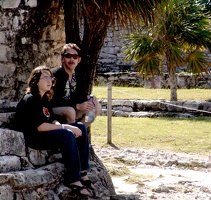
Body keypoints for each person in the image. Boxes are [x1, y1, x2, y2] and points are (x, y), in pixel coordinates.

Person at [13, 66, 95, 196]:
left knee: (81, 127)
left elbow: (51, 119)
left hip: (45, 133)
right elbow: (40, 126)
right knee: (67, 134)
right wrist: (66, 127)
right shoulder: (30, 99)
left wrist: (60, 124)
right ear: (35, 80)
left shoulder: (45, 99)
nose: (49, 80)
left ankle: (83, 172)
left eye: (50, 77)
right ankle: (73, 179)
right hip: (35, 138)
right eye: (45, 77)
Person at [50, 43, 101, 127]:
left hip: (72, 108)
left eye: (75, 57)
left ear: (79, 60)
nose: (71, 59)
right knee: (70, 111)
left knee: (96, 107)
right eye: (68, 56)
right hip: (54, 109)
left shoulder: (78, 75)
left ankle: (80, 132)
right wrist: (77, 106)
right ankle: (72, 136)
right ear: (62, 58)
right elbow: (54, 100)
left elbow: (80, 94)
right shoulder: (55, 75)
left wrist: (90, 98)